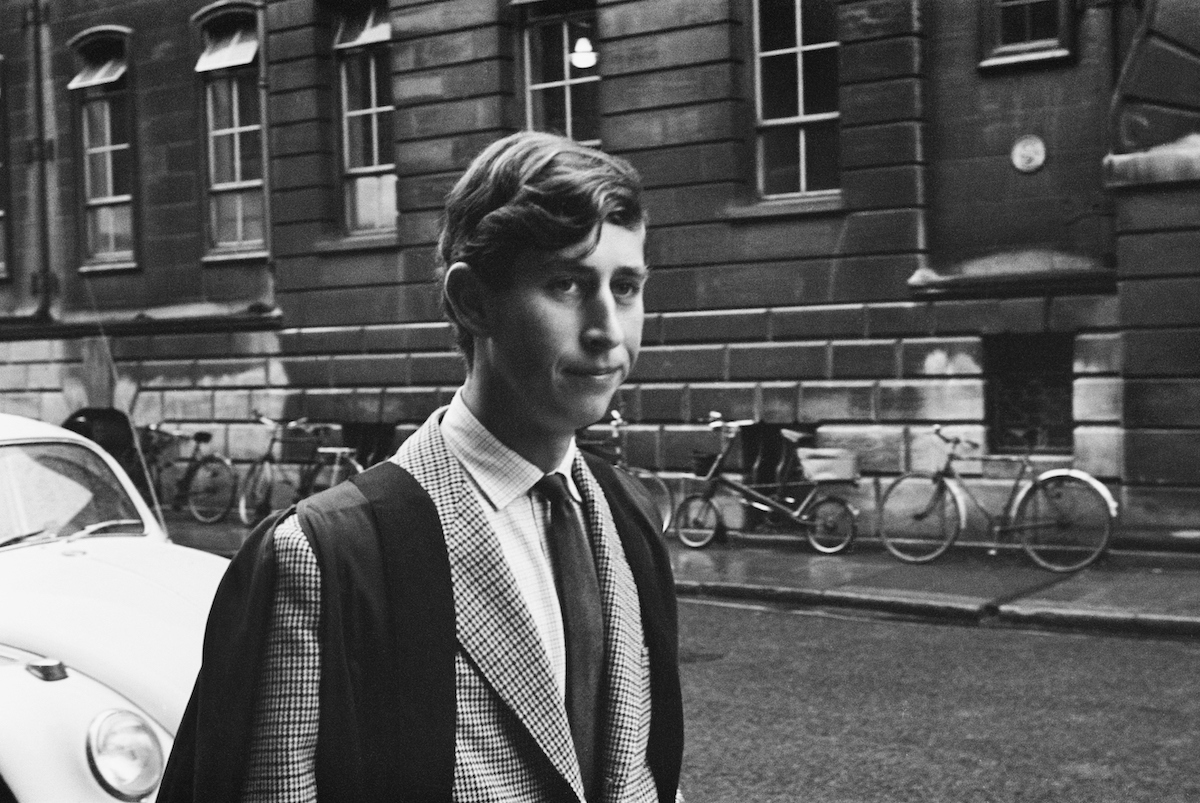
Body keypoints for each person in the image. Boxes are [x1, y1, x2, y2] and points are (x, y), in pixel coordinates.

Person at [159, 131, 683, 803]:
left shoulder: (628, 514)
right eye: (565, 284)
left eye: (628, 286)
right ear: (472, 301)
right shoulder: (324, 557)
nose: (608, 327)